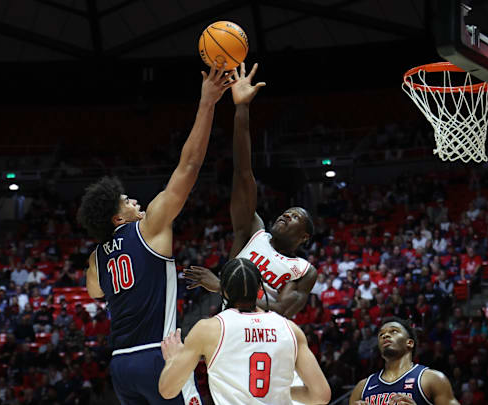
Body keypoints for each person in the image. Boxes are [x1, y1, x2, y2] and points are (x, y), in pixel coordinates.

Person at [79, 64, 233, 405]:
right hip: (157, 355)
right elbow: (189, 167)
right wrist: (207, 102)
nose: (135, 200)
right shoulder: (149, 227)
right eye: (127, 200)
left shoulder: (96, 257)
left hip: (121, 365)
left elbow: (94, 292)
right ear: (118, 216)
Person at [185, 62, 317, 318]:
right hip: (230, 326)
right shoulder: (253, 232)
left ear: (304, 238)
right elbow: (243, 173)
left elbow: (283, 309)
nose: (286, 215)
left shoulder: (302, 269)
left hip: (268, 339)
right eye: (287, 212)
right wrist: (242, 108)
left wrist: (223, 285)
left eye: (296, 217)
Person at [159, 258, 330, 404]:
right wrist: (284, 392)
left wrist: (172, 360)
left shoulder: (208, 329)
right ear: (260, 290)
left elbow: (167, 390)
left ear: (223, 290)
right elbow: (321, 396)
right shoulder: (291, 329)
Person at [349, 317, 459, 405]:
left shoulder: (432, 379)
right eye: (381, 334)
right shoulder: (362, 387)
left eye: (394, 331)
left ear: (409, 343)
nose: (385, 335)